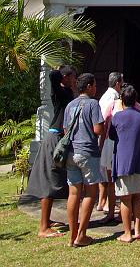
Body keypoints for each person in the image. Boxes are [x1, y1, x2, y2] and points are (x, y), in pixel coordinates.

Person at [25, 65, 77, 238]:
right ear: (66, 77)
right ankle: (43, 227)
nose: (75, 80)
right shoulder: (59, 92)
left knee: (56, 179)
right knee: (49, 180)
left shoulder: (69, 93)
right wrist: (57, 71)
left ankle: (47, 221)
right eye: (72, 77)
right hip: (53, 139)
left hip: (61, 139)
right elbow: (52, 77)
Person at [63, 72, 104, 247]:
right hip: (88, 152)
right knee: (90, 193)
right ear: (88, 86)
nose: (95, 88)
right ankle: (81, 234)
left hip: (71, 153)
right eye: (94, 85)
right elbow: (97, 129)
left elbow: (66, 131)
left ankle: (72, 236)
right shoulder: (93, 104)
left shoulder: (70, 105)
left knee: (73, 194)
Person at [109, 84, 140, 243]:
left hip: (123, 163)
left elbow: (112, 135)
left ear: (122, 100)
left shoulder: (117, 117)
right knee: (138, 196)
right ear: (135, 100)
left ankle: (127, 232)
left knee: (125, 199)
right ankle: (138, 229)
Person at [97, 71, 123, 222]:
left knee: (106, 172)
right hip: (110, 139)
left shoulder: (106, 95)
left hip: (105, 139)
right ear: (118, 83)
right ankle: (107, 204)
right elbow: (110, 120)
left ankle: (103, 202)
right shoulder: (113, 98)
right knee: (111, 174)